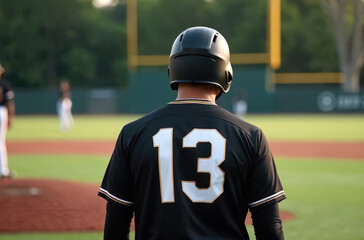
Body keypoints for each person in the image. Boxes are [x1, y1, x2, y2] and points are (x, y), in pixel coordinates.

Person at [98, 26, 286, 240]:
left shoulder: (132, 134)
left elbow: (116, 223)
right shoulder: (251, 137)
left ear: (173, 70)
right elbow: (268, 227)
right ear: (225, 73)